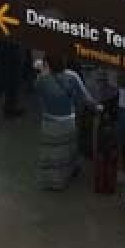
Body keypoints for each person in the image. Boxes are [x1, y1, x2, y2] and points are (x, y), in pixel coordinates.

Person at [34, 51, 97, 190]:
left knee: (52, 153)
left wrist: (41, 72)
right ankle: (67, 175)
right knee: (68, 151)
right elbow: (86, 98)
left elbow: (37, 92)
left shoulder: (42, 79)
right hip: (68, 122)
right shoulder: (72, 76)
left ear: (47, 63)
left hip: (49, 122)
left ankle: (51, 181)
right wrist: (97, 107)